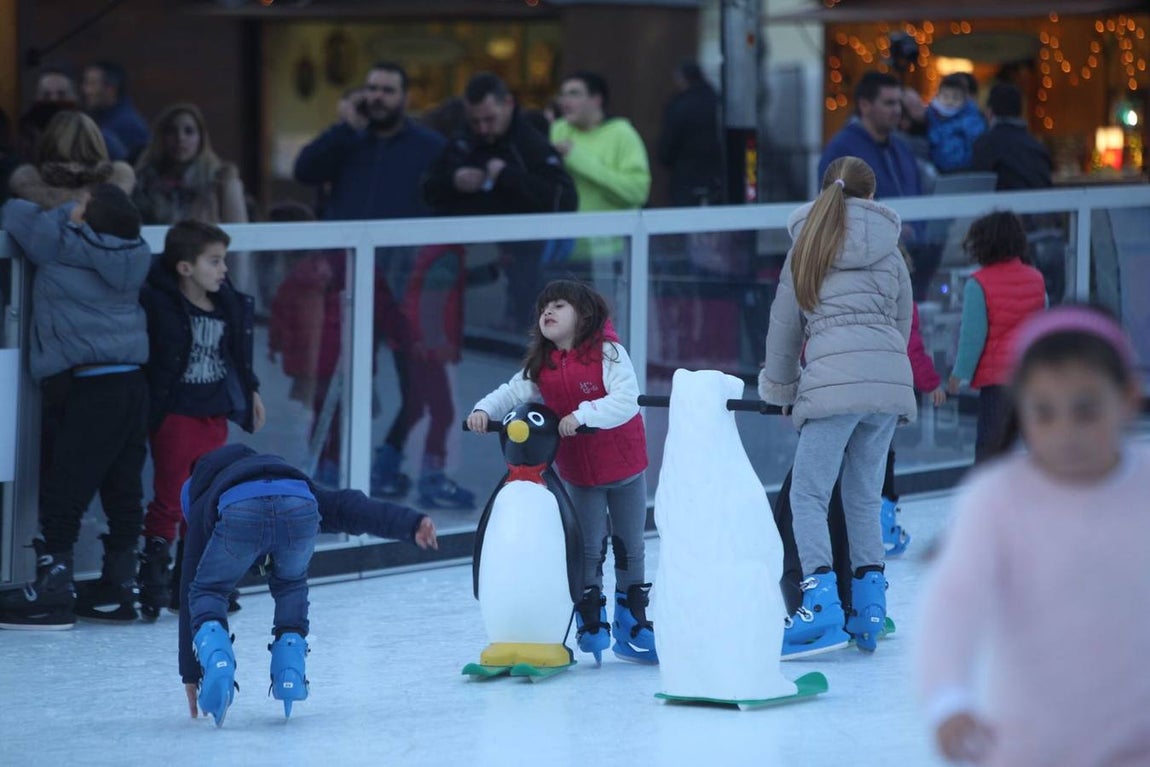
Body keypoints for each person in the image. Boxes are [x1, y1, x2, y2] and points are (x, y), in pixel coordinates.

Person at [916, 305, 1150, 766]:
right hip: (1029, 746)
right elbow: (951, 607)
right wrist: (947, 699)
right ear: (1020, 409)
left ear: (1126, 397)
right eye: (1044, 413)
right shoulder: (997, 499)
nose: (1066, 432)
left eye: (1086, 411)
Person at [759, 156, 915, 657]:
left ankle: (821, 603)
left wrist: (782, 389)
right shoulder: (891, 250)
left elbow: (784, 329)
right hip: (886, 385)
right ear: (872, 196)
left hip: (831, 386)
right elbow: (902, 322)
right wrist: (882, 376)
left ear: (825, 189)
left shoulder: (807, 245)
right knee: (864, 498)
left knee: (809, 495)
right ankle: (869, 606)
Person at [465, 279, 657, 664]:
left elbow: (626, 401)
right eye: (543, 308)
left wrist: (583, 415)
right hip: (580, 475)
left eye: (558, 306)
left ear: (583, 315)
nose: (547, 313)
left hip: (625, 468)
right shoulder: (543, 365)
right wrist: (485, 410)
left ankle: (631, 616)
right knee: (587, 549)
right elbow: (510, 392)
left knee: (629, 546)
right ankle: (590, 616)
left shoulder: (609, 353)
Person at [178, 443, 439, 725]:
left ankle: (216, 658)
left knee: (207, 590)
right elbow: (348, 507)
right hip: (298, 504)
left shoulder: (203, 499)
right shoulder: (284, 475)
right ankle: (289, 668)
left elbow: (187, 588)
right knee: (290, 584)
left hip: (238, 510)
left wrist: (191, 673)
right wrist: (411, 523)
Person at [0, 182, 150, 630]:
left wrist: (65, 209)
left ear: (85, 217)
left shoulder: (62, 241)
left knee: (65, 488)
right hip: (131, 382)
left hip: (92, 386)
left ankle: (51, 593)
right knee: (124, 488)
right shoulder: (134, 251)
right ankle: (119, 588)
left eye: (82, 201)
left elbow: (13, 209)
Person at [137, 220, 266, 620]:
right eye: (214, 261)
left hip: (214, 416)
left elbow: (238, 358)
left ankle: (194, 584)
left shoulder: (228, 305)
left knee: (208, 502)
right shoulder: (161, 303)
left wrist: (252, 392)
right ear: (185, 267)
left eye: (223, 260)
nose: (223, 269)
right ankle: (153, 580)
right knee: (171, 499)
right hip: (176, 417)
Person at [422, 71, 577, 333]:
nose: (483, 128)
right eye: (476, 121)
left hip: (522, 269)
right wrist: (454, 181)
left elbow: (564, 198)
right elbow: (426, 190)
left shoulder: (530, 144)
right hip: (463, 268)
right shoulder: (463, 141)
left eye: (490, 119)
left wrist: (508, 177)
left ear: (508, 105)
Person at [946, 211, 1046, 463]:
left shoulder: (978, 283)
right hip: (1029, 376)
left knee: (990, 452)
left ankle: (989, 499)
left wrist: (959, 374)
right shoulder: (1035, 278)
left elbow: (972, 337)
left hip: (998, 384)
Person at [294, 61, 445, 221]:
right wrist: (346, 128)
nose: (378, 97)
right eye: (372, 89)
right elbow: (304, 171)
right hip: (347, 242)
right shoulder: (345, 139)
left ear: (405, 98)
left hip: (403, 243)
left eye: (388, 91)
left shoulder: (430, 146)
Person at [550, 71, 651, 296]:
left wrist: (577, 158)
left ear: (596, 100)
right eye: (563, 95)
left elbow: (637, 191)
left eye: (574, 94)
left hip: (608, 256)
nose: (565, 101)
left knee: (602, 327)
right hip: (562, 255)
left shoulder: (623, 135)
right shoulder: (557, 130)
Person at [132, 103, 248, 225]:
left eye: (189, 131)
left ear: (201, 138)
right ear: (161, 137)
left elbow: (240, 232)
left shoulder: (220, 180)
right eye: (171, 131)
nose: (180, 138)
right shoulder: (143, 180)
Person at [657, 61, 724, 207]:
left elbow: (667, 146)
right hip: (715, 174)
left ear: (682, 79)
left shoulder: (679, 105)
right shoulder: (717, 101)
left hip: (685, 176)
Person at [971, 82, 1053, 191]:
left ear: (989, 113)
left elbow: (978, 187)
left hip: (1001, 206)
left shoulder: (986, 144)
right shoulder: (1037, 146)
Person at [81, 61, 150, 161]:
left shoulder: (130, 126)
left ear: (110, 89)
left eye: (92, 84)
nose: (86, 90)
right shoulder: (97, 118)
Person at [925, 73, 987, 174]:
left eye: (955, 97)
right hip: (936, 173)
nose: (950, 101)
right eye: (945, 96)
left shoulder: (972, 120)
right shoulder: (929, 117)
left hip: (964, 173)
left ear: (964, 99)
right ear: (938, 95)